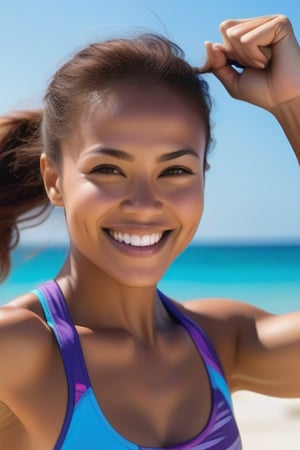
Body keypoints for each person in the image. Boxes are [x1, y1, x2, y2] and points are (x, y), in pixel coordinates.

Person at [0, 13, 299, 450]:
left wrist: (292, 101)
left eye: (175, 169)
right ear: (54, 180)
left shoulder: (220, 340)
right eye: (108, 169)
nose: (143, 203)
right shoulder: (21, 351)